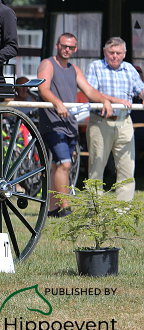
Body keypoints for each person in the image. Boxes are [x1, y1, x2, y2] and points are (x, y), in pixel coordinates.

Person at [37, 33, 113, 217]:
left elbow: (88, 90)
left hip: (70, 124)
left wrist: (104, 100)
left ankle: (53, 209)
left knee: (58, 166)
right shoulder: (47, 64)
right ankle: (65, 207)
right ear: (57, 45)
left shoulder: (74, 69)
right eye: (64, 46)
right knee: (64, 164)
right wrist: (58, 103)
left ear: (75, 49)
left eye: (71, 47)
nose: (67, 49)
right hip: (53, 124)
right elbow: (43, 88)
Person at [85, 37, 144, 203]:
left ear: (124, 54)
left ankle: (122, 213)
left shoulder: (130, 69)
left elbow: (140, 89)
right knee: (96, 168)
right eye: (111, 52)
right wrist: (116, 100)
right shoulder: (95, 67)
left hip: (124, 122)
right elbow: (91, 93)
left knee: (127, 168)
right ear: (104, 52)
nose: (115, 56)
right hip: (100, 121)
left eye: (118, 53)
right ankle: (94, 210)